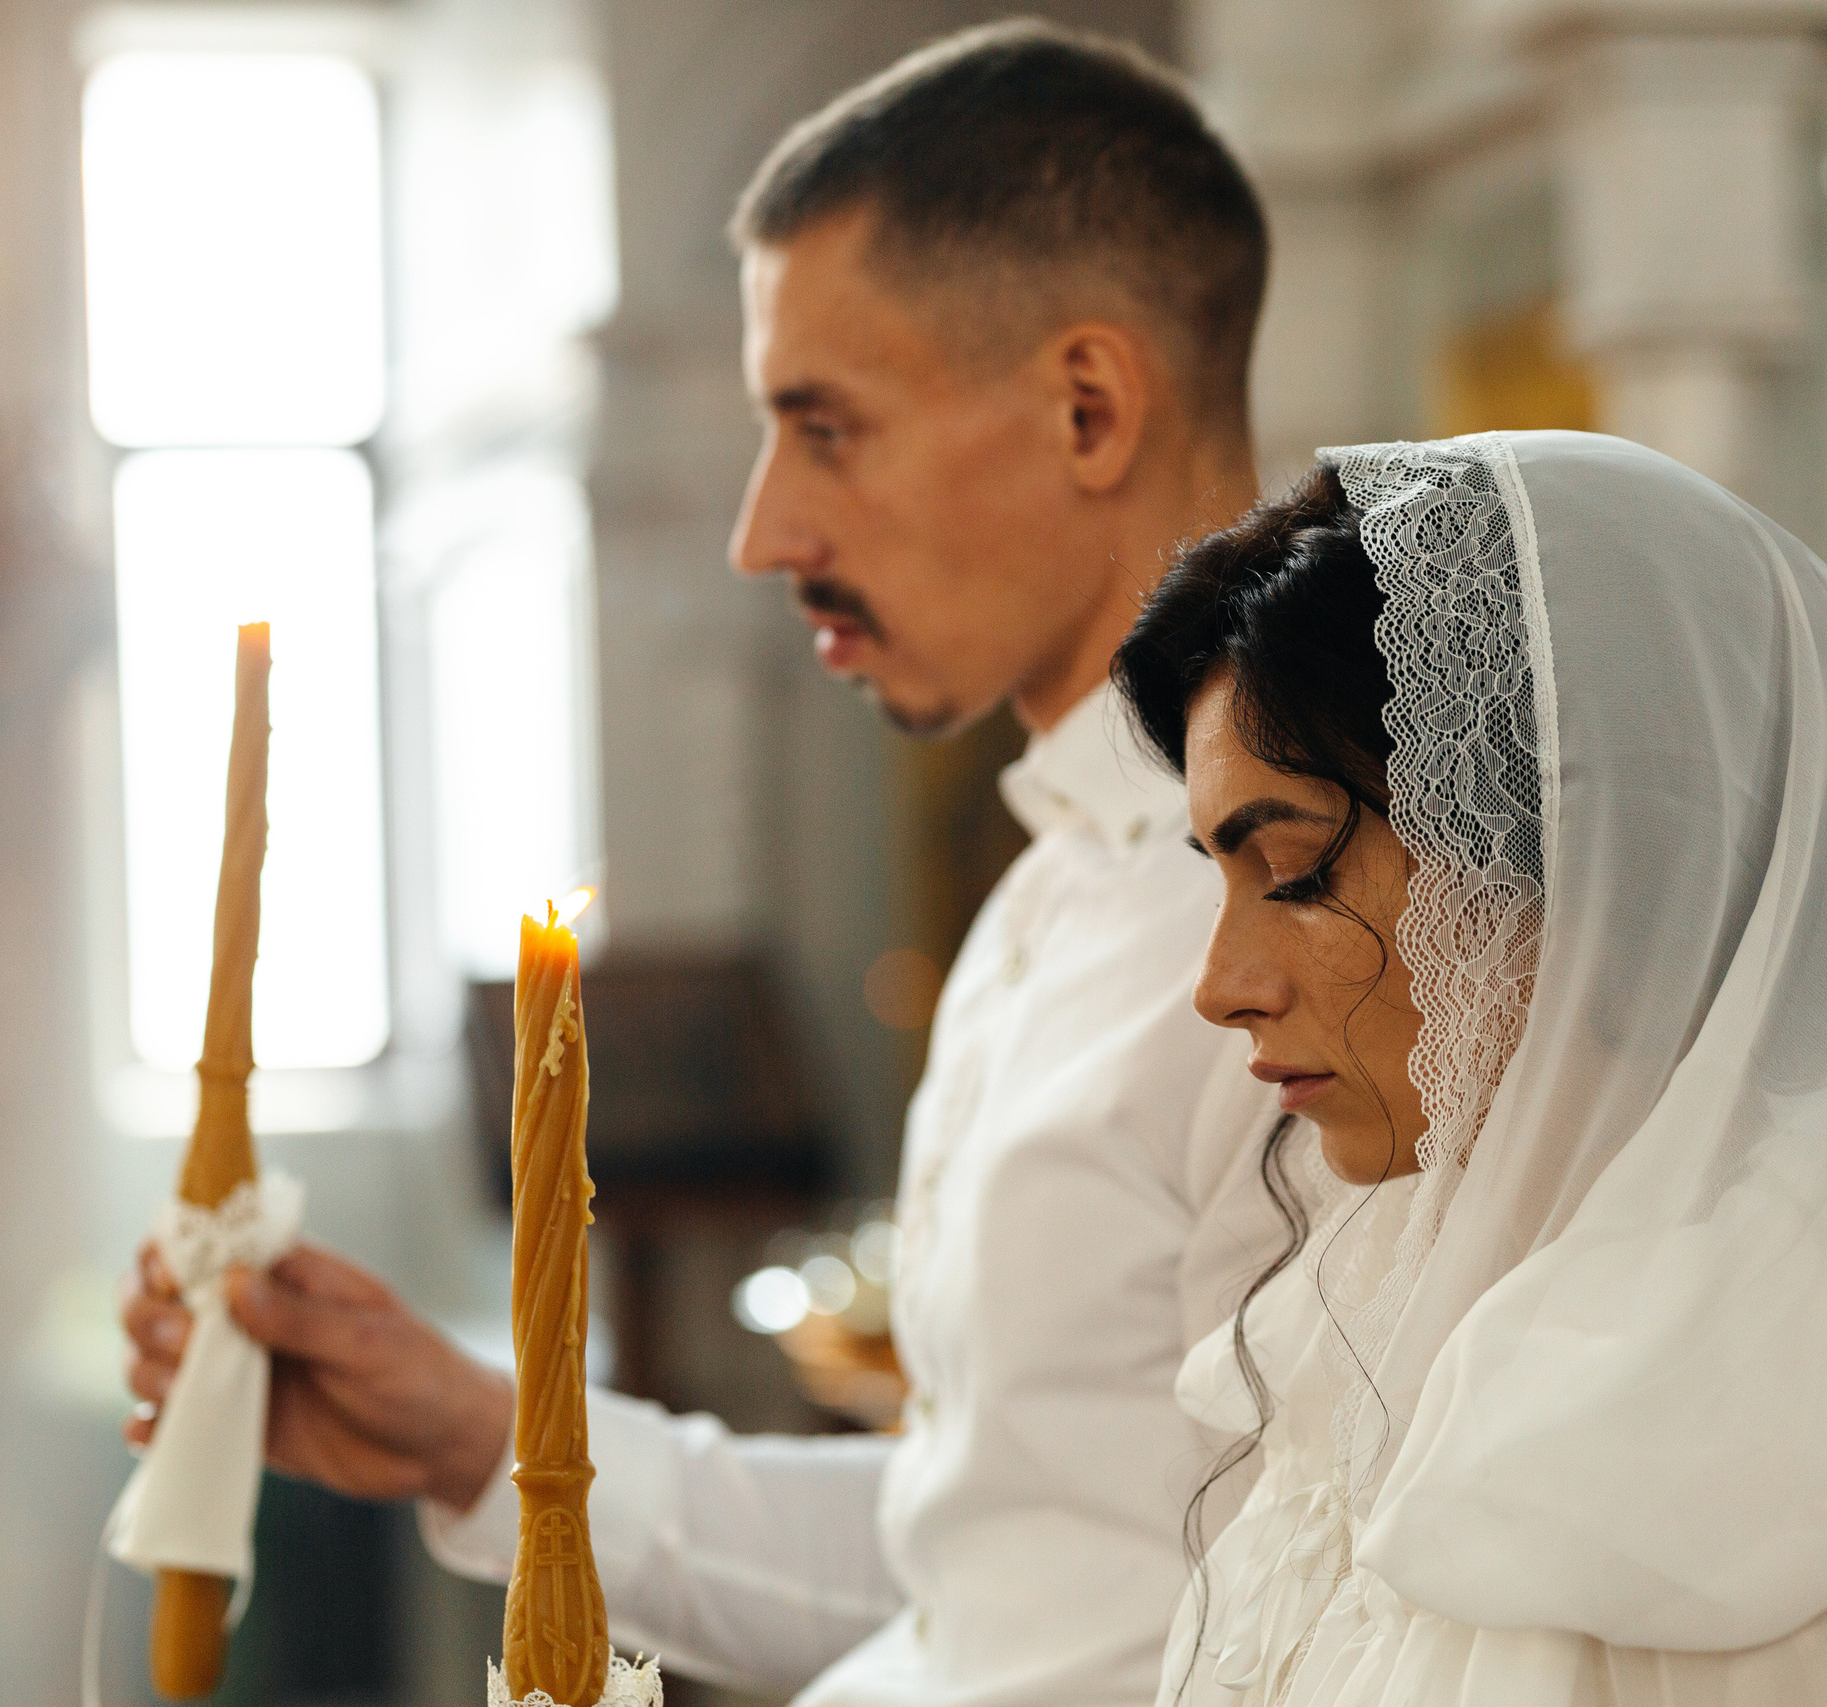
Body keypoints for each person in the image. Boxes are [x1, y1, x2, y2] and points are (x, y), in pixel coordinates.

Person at [121, 23, 1284, 1705]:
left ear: (1088, 406)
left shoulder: (1311, 933)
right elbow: (984, 1560)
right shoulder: (1048, 899)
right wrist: (470, 1425)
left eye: (826, 426)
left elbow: (1316, 1611)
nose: (761, 533)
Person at [1111, 431, 1827, 1705]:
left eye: (1298, 870)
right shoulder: (1374, 1309)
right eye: (1218, 876)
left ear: (1601, 861)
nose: (1221, 985)